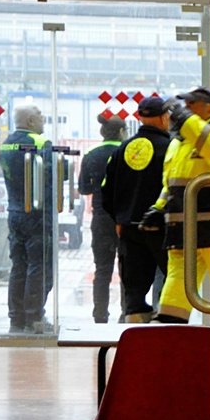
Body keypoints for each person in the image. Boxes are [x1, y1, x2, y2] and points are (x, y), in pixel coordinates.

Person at [154, 87, 210, 323]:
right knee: (177, 285)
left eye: (193, 104)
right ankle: (168, 336)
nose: (187, 109)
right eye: (186, 105)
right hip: (182, 230)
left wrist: (187, 120)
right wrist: (158, 208)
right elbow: (170, 182)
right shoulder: (179, 143)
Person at [104, 96, 172, 321]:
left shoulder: (123, 149)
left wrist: (119, 219)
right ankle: (166, 336)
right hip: (163, 229)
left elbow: (106, 190)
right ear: (164, 117)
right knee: (170, 286)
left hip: (129, 229)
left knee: (134, 295)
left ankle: (136, 340)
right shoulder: (172, 149)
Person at [0, 104, 54, 333]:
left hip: (14, 212)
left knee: (18, 265)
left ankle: (16, 318)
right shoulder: (41, 144)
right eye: (40, 115)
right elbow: (50, 180)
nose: (43, 119)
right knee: (39, 266)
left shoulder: (6, 144)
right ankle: (34, 317)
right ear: (31, 121)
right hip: (37, 214)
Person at [79, 117, 127, 323]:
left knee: (102, 270)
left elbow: (84, 188)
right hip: (124, 219)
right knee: (127, 268)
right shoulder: (129, 153)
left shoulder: (91, 155)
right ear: (122, 132)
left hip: (100, 218)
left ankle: (100, 315)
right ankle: (127, 314)